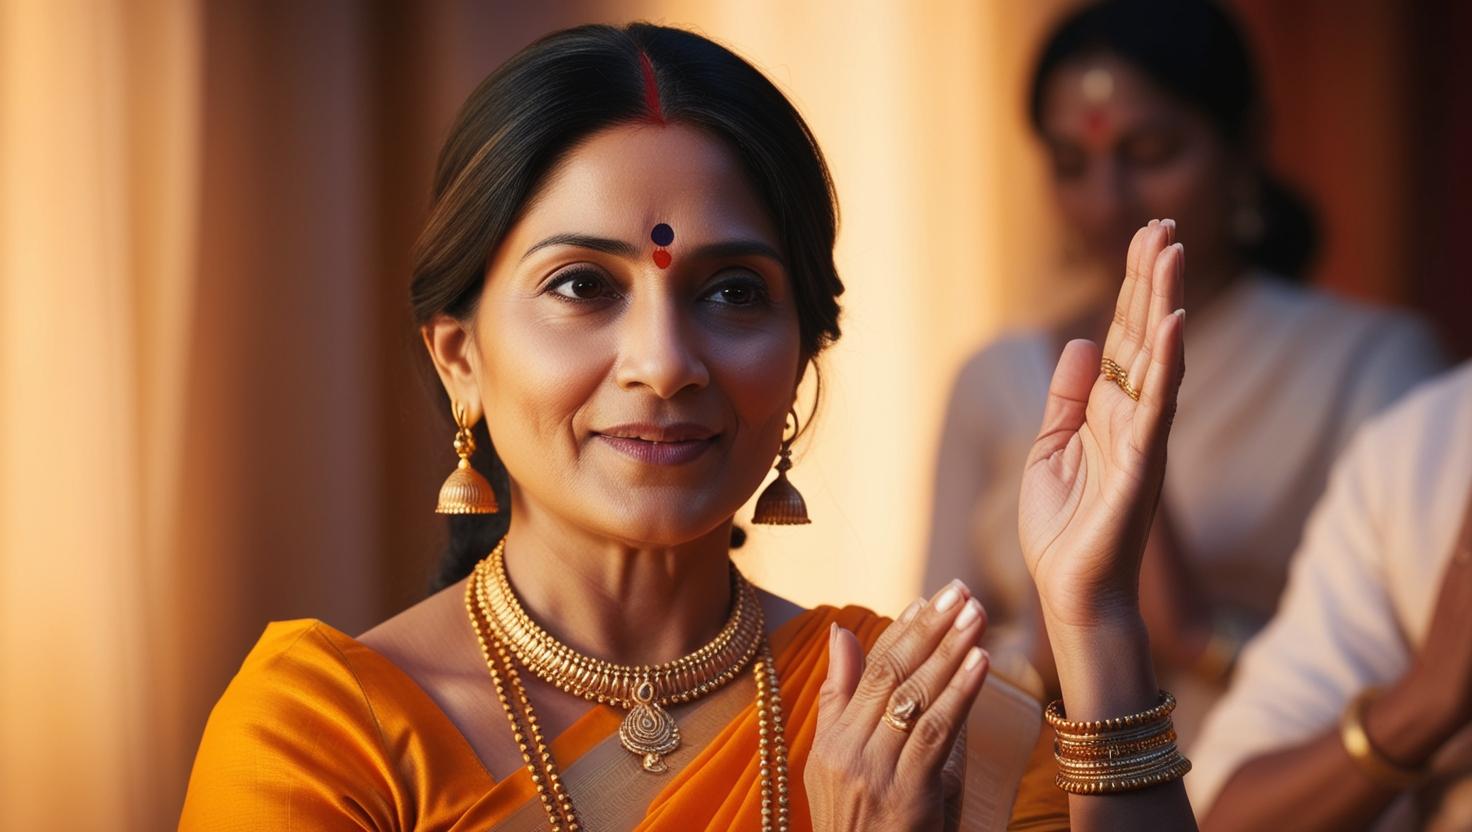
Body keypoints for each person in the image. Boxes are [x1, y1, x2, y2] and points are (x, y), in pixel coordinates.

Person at [179, 23, 1197, 830]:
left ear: (799, 354)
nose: (664, 363)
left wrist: (1093, 612)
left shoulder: (912, 713)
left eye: (731, 292)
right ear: (461, 359)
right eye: (582, 285)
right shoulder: (323, 735)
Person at [923, 0, 1445, 742]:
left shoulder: (1371, 363)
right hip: (1042, 801)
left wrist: (1195, 634)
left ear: (1246, 146)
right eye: (1072, 164)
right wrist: (1063, 635)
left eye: (1151, 153)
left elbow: (1431, 686)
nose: (1108, 202)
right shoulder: (996, 378)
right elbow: (931, 662)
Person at [1190, 362, 1472, 831]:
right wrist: (1428, 700)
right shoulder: (1417, 449)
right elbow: (1223, 817)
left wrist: (1196, 638)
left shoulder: (1379, 362)